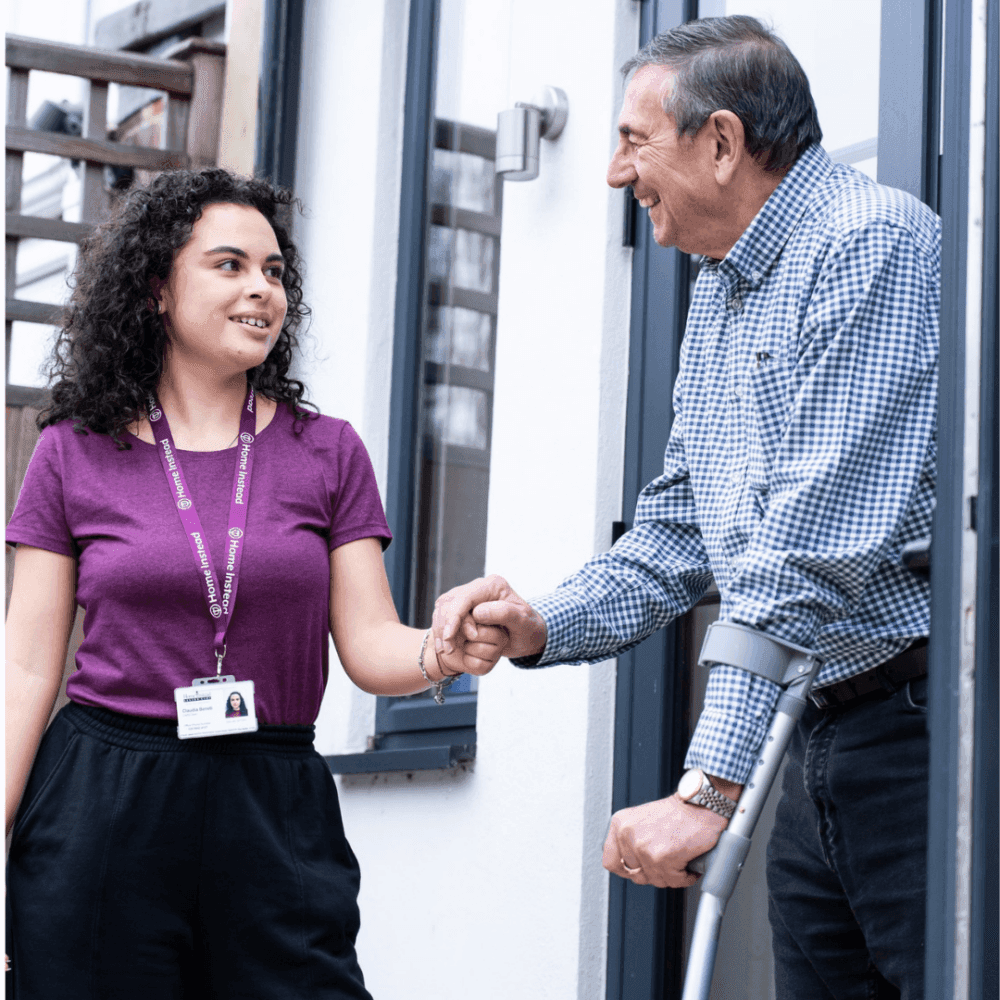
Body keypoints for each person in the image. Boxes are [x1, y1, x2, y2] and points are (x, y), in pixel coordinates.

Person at [434, 16, 938, 1000]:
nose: (618, 174)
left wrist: (708, 788)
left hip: (920, 735)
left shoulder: (872, 247)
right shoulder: (720, 287)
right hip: (817, 732)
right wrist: (544, 623)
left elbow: (801, 552)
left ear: (719, 142)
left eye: (632, 141)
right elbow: (677, 527)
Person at [5, 168, 504, 999]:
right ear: (158, 287)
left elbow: (373, 645)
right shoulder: (72, 451)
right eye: (230, 265)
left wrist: (441, 652)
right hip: (103, 800)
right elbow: (25, 671)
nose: (261, 290)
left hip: (272, 804)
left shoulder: (329, 451)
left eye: (274, 272)